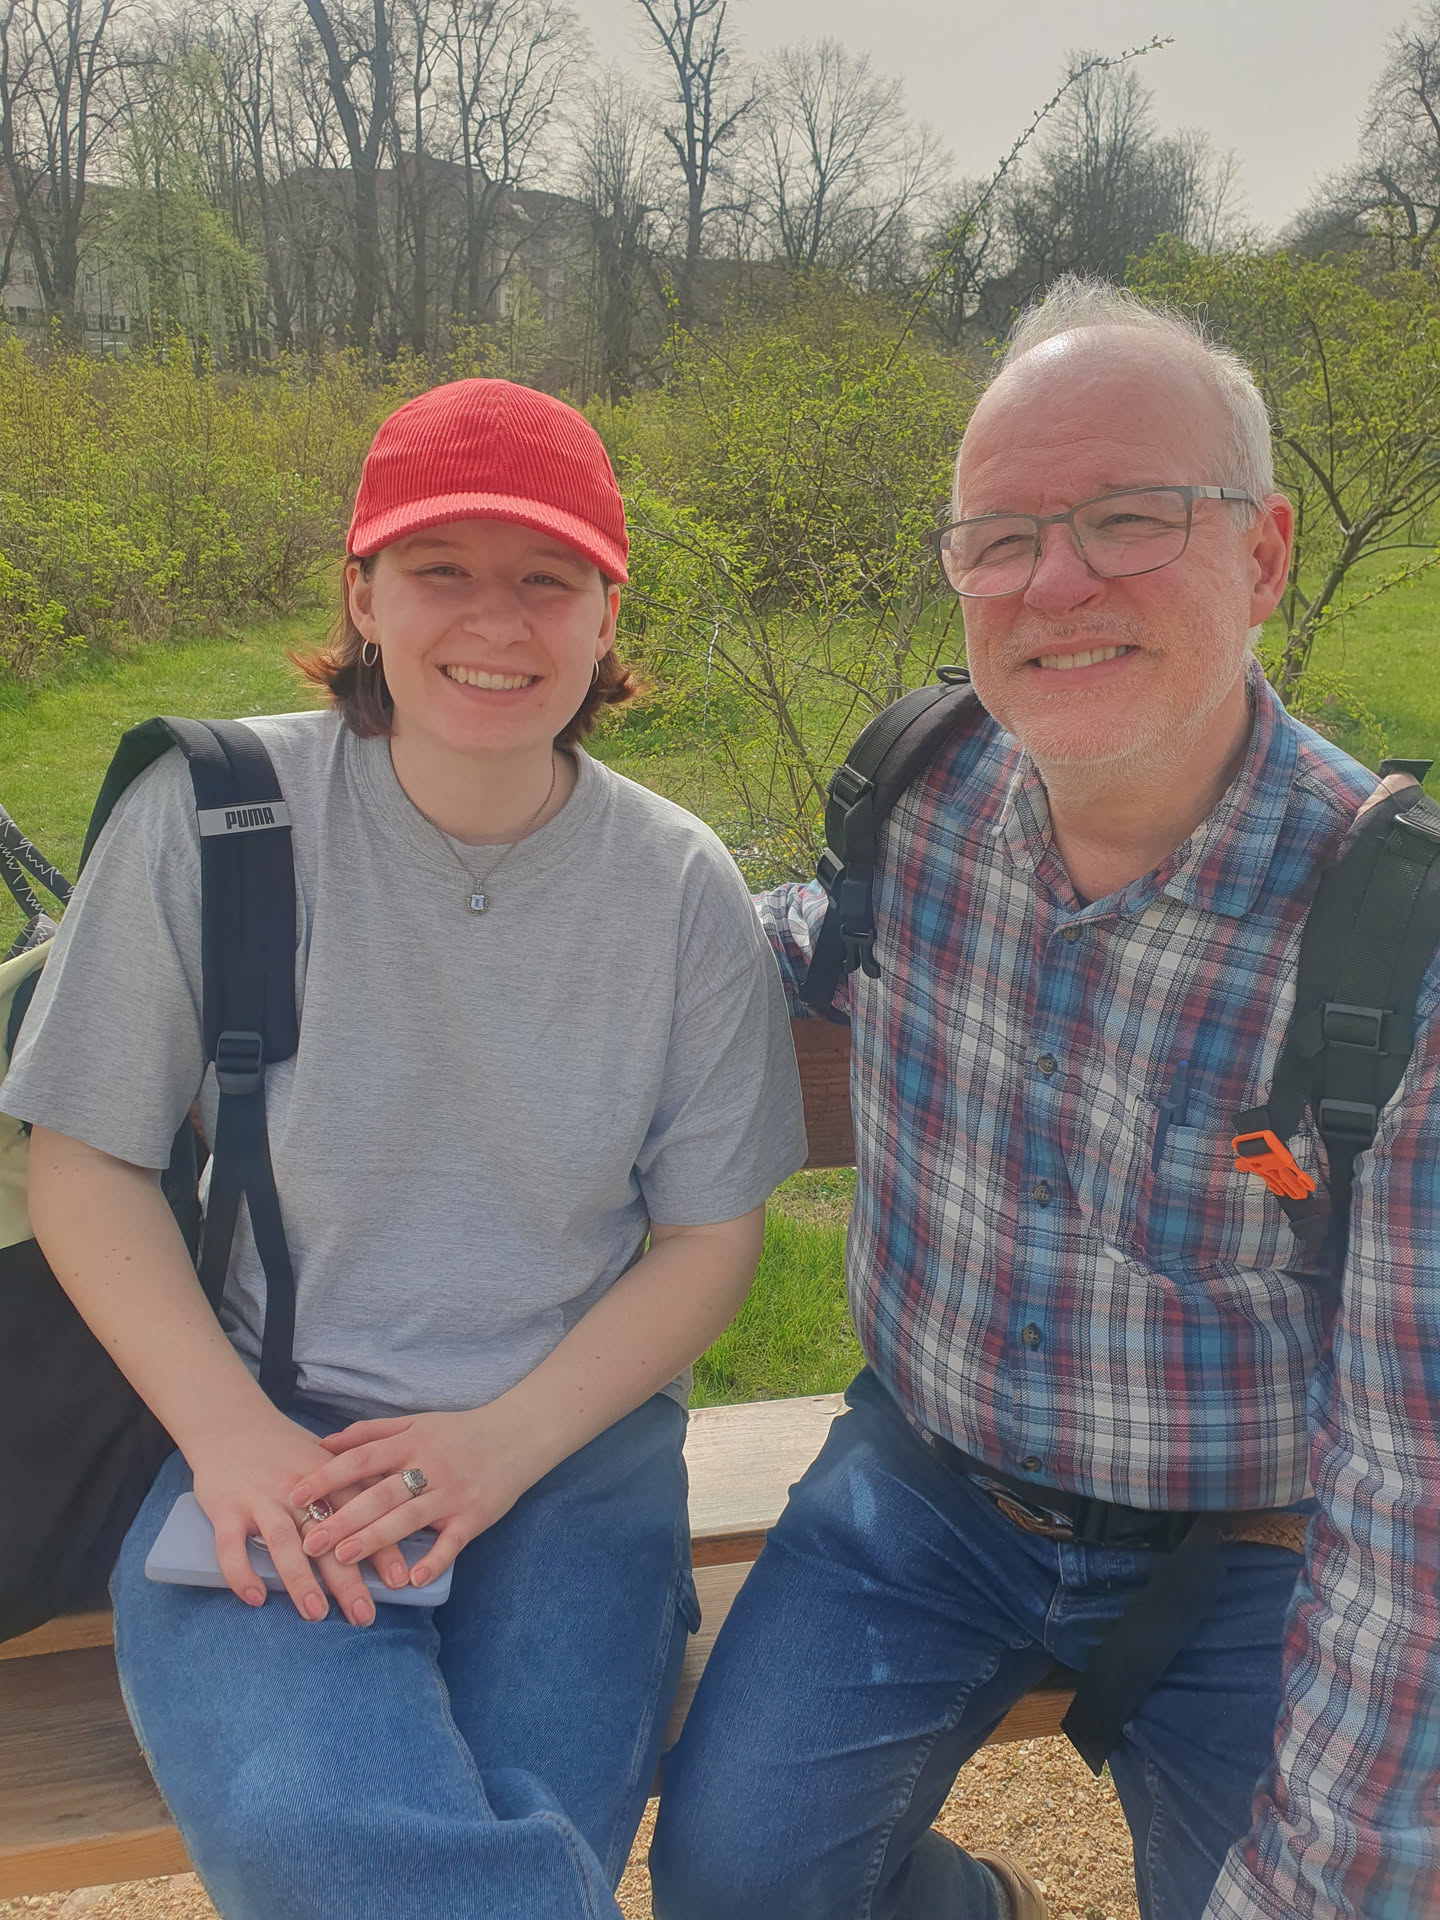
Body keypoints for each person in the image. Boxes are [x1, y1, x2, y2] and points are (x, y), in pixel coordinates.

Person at [649, 279, 1440, 1920]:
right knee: (735, 1890)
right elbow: (789, 944)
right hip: (923, 1489)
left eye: (1128, 517)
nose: (1054, 582)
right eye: (1000, 536)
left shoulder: (1393, 944)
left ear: (1266, 554)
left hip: (1258, 1546)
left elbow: (1415, 1497)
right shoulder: (919, 798)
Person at [1, 377, 806, 1920]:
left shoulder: (676, 887)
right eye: (441, 568)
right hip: (274, 1428)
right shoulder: (216, 820)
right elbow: (86, 1160)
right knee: (323, 1833)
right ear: (363, 597)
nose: (495, 622)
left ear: (606, 618)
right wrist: (230, 1434)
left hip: (568, 1449)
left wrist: (502, 1445)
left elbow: (711, 1237)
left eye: (548, 579)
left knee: (521, 1824)